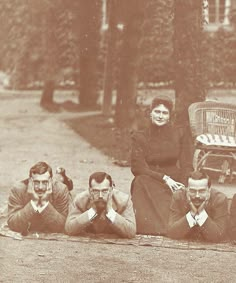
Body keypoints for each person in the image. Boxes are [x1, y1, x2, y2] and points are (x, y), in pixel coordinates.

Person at [130, 95, 193, 235]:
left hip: (174, 180)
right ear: (150, 113)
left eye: (165, 113)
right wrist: (164, 178)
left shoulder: (179, 134)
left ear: (170, 116)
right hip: (150, 178)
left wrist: (183, 184)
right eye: (157, 112)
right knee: (140, 181)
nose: (160, 116)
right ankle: (151, 228)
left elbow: (186, 164)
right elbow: (137, 168)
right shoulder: (140, 136)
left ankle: (170, 227)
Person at [65, 171, 136, 238]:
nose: (100, 196)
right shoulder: (80, 200)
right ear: (90, 190)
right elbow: (69, 229)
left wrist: (110, 211)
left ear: (111, 190)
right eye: (96, 191)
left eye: (104, 191)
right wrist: (92, 211)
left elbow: (131, 232)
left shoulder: (123, 200)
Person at [8, 161, 70, 235]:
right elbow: (13, 224)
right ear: (30, 181)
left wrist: (44, 203)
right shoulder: (18, 189)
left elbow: (62, 226)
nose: (40, 187)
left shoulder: (61, 190)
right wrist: (34, 202)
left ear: (51, 181)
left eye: (44, 182)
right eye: (36, 182)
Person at [168, 170, 229, 242]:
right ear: (186, 189)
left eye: (202, 191)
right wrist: (192, 214)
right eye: (193, 191)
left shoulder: (219, 199)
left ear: (209, 190)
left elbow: (218, 236)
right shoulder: (178, 197)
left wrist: (201, 213)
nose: (197, 196)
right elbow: (172, 233)